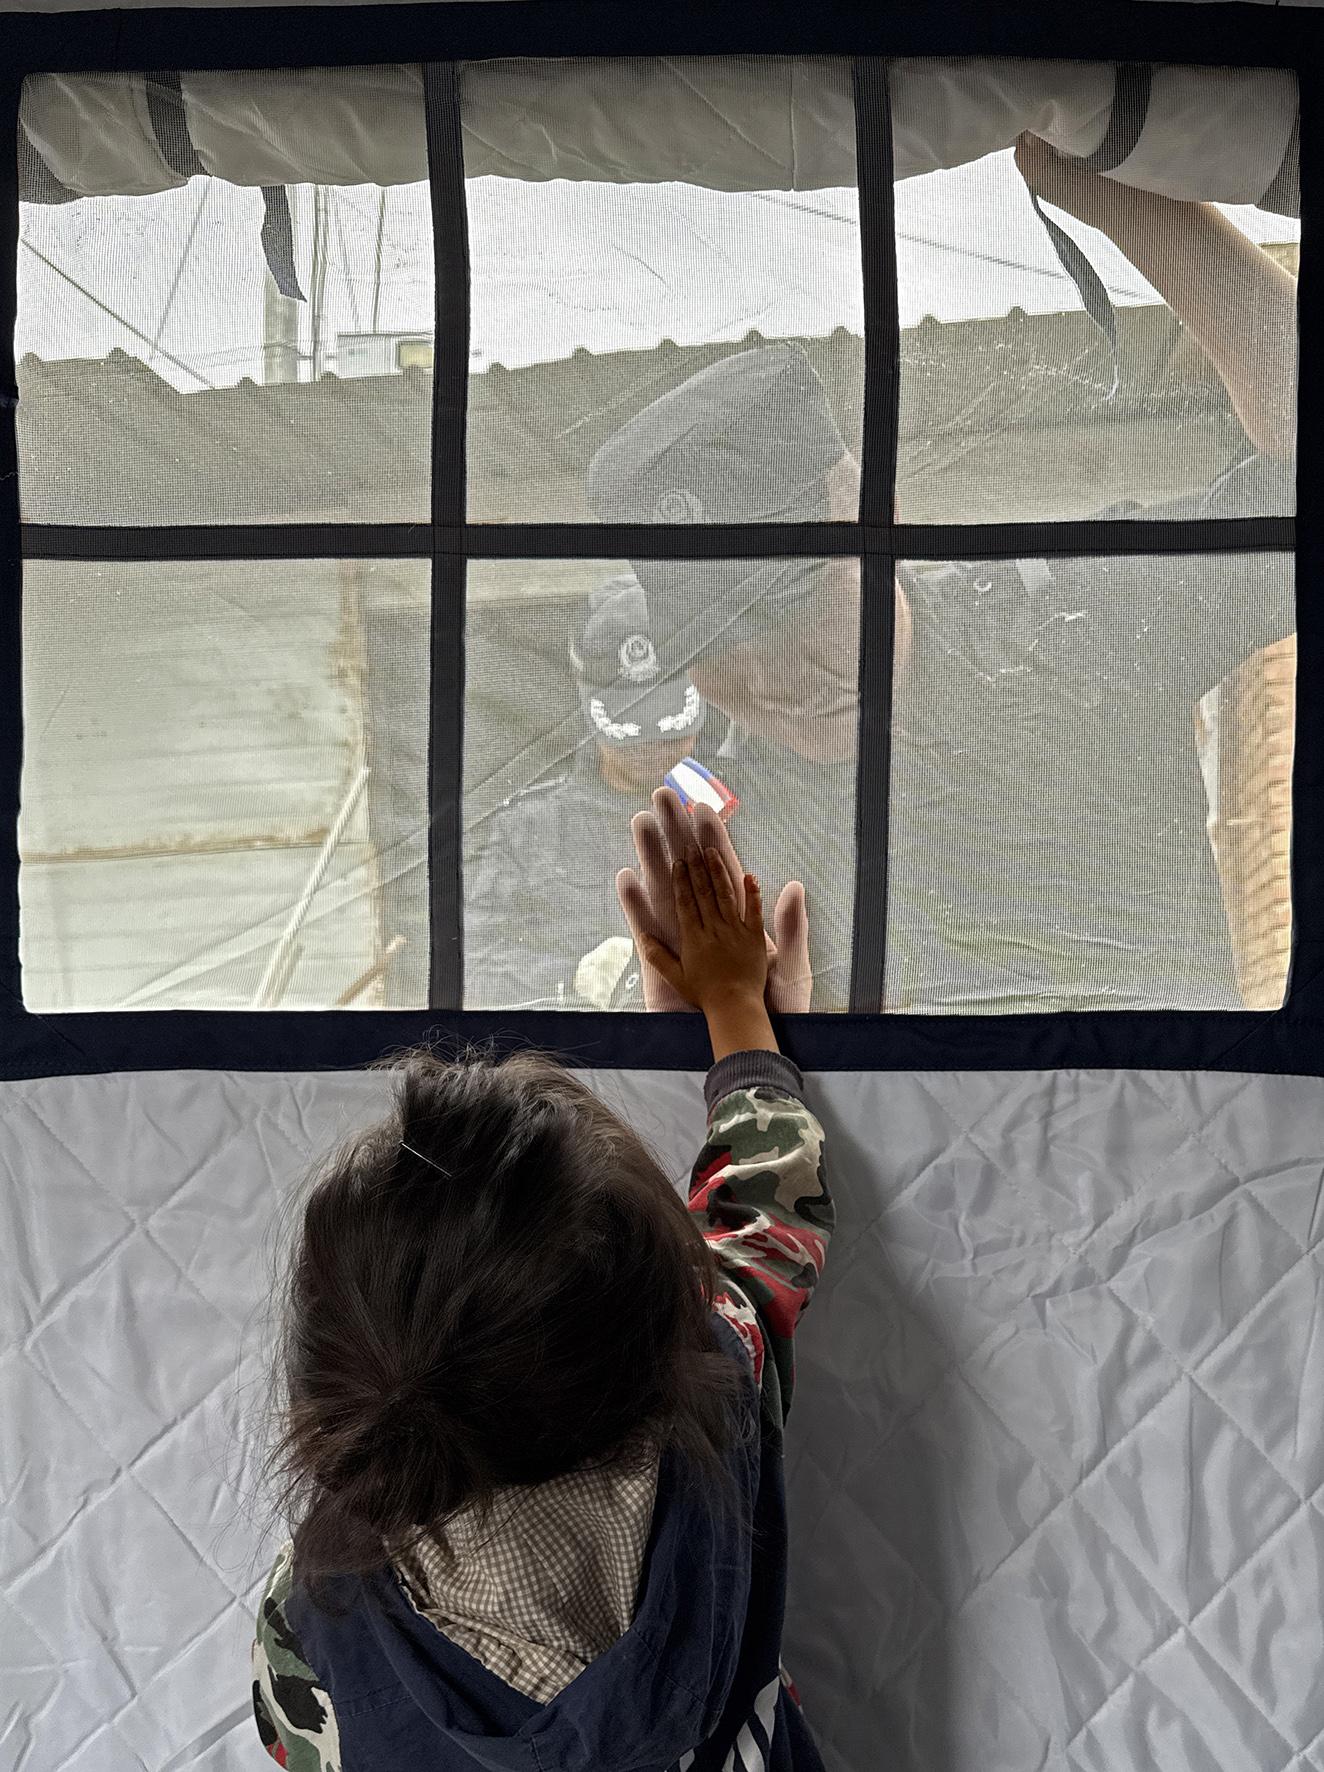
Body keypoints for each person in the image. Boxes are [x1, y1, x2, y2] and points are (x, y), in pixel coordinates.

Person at [589, 138, 1298, 1013]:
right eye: (717, 637)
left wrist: (1130, 193)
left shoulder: (1072, 621)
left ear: (875, 522)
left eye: (795, 598)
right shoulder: (724, 837)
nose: (773, 673)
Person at [252, 819, 835, 1771]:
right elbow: (767, 1209)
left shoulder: (315, 1606)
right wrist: (736, 1010)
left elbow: (297, 1742)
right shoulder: (718, 1391)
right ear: (661, 1323)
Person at [464, 572, 710, 1010]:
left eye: (670, 732)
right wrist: (570, 978)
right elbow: (474, 965)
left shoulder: (745, 808)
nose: (651, 747)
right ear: (590, 711)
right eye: (629, 733)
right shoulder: (530, 827)